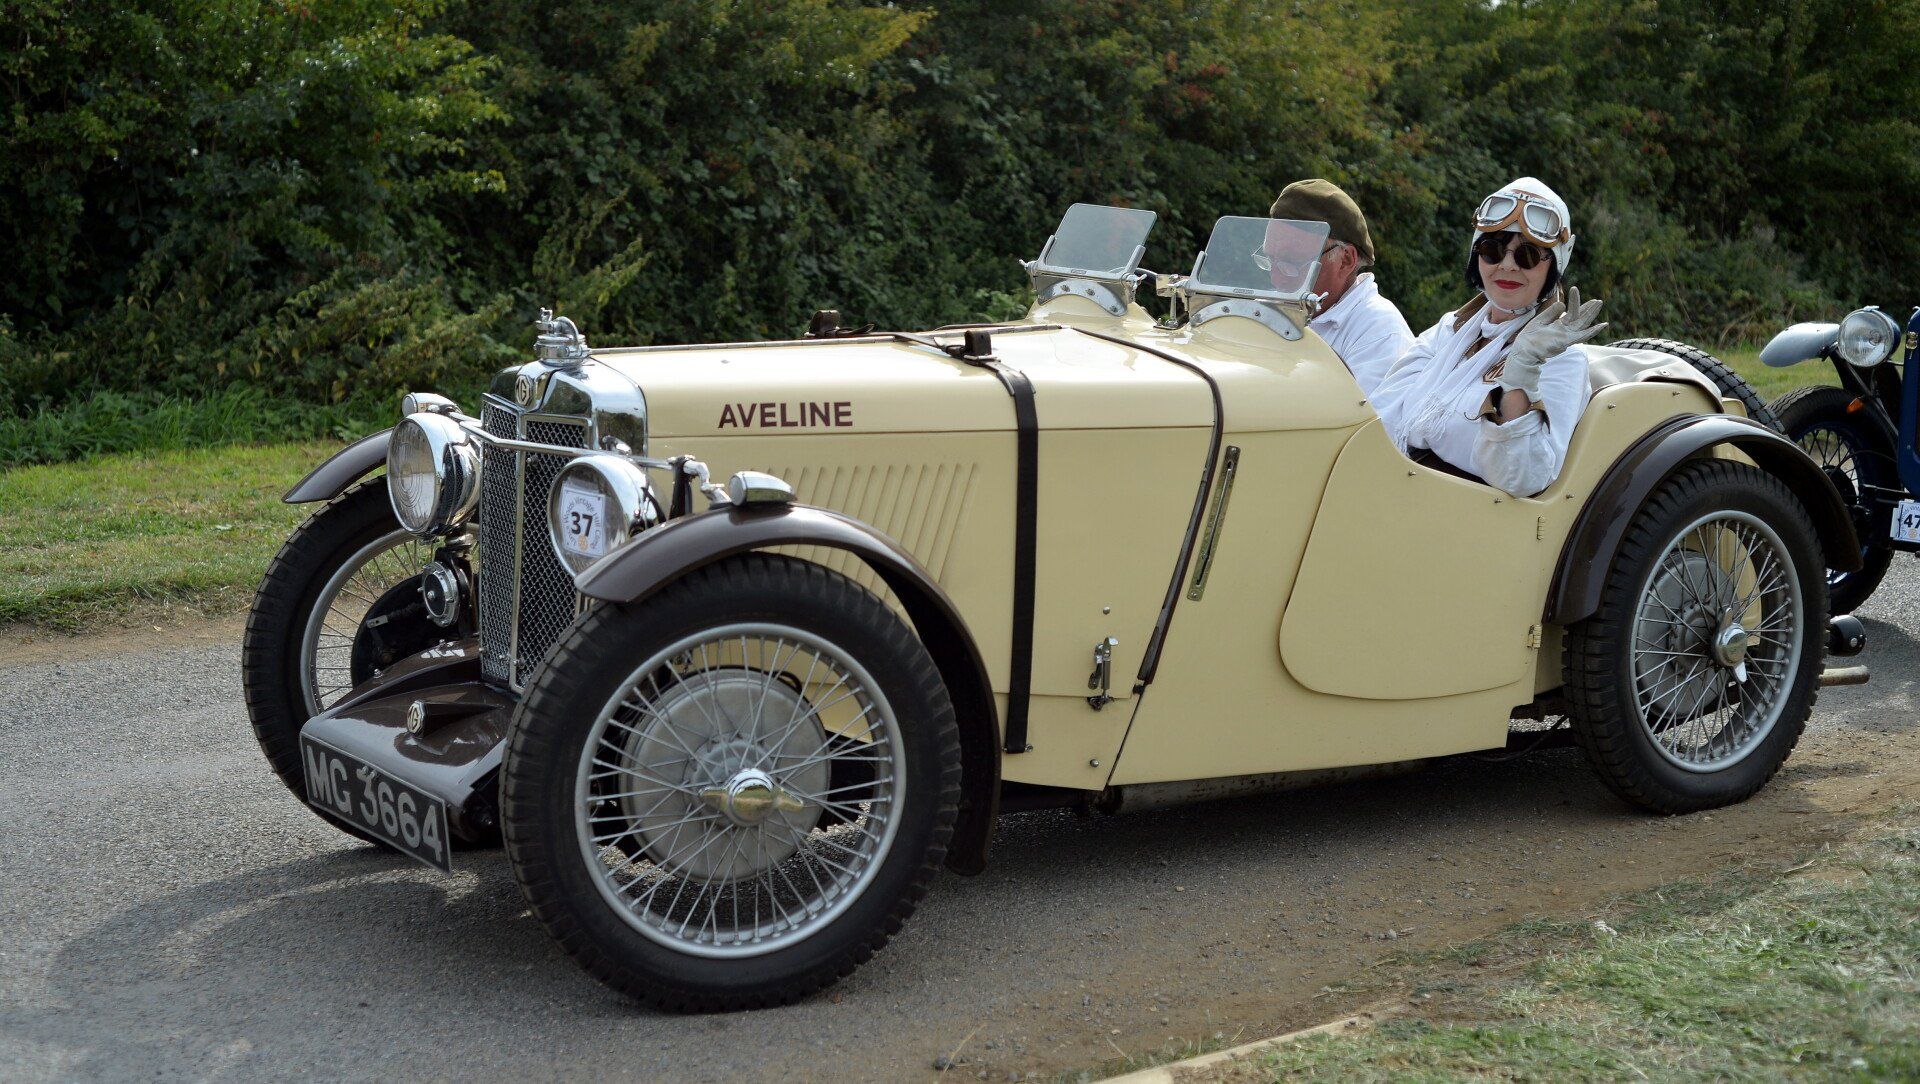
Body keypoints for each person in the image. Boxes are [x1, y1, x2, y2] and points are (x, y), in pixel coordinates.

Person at [1372, 177, 1606, 497]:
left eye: (1528, 255)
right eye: (1492, 250)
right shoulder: (1450, 330)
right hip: (1394, 491)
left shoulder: (1563, 359)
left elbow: (1522, 477)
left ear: (1555, 265)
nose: (1507, 265)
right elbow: (1382, 414)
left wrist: (1521, 374)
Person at [1265, 179, 1415, 395]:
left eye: (1291, 263)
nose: (1275, 279)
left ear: (1345, 260)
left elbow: (1367, 424)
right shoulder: (1269, 307)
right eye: (1269, 260)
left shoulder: (1379, 331)